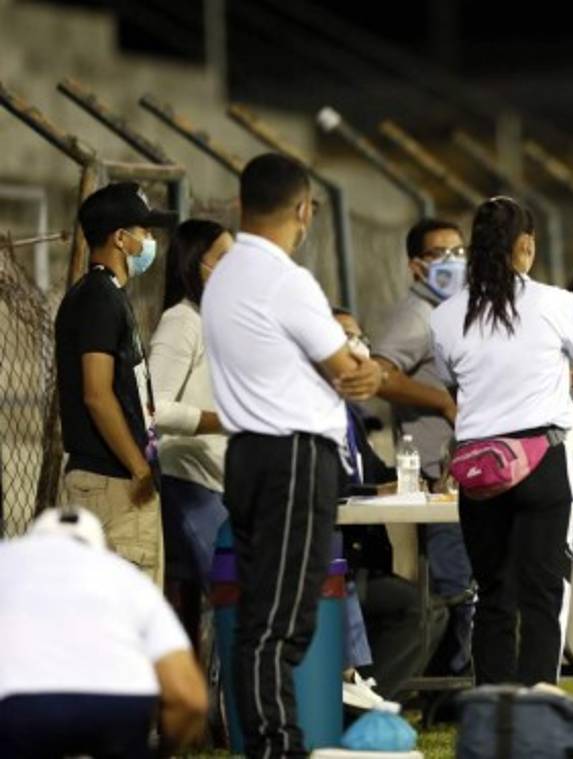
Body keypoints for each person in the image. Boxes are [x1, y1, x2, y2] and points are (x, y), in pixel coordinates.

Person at [201, 153, 383, 757]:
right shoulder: (286, 280)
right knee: (279, 623)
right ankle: (279, 746)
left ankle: (273, 741)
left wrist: (349, 365)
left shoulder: (224, 275)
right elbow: (349, 368)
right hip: (294, 457)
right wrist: (359, 357)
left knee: (265, 614)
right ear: (304, 211)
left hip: (250, 455)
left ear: (239, 204)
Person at [430, 195, 573, 686]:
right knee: (545, 595)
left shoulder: (445, 316)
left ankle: (493, 707)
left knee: (492, 594)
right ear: (526, 245)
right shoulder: (557, 303)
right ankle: (537, 707)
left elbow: (455, 386)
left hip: (478, 467)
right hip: (541, 459)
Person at [0, 507, 207, 757]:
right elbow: (188, 696)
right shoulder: (128, 578)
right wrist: (163, 751)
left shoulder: (8, 559)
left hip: (19, 705)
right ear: (99, 546)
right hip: (119, 705)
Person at [54, 182, 177, 586]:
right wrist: (138, 467)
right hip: (113, 485)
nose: (150, 240)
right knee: (126, 628)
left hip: (116, 483)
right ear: (121, 239)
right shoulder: (98, 299)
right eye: (144, 232)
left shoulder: (108, 296)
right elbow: (97, 392)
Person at [371, 218, 474, 681]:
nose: (454, 261)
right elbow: (378, 373)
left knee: (466, 580)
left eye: (459, 250)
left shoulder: (455, 310)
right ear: (417, 266)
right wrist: (439, 400)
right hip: (436, 472)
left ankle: (459, 678)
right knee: (453, 583)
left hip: (462, 469)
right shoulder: (418, 315)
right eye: (440, 254)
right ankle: (449, 686)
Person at [334, 307, 448, 706]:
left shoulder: (347, 412)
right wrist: (375, 490)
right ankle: (362, 705)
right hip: (338, 563)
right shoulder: (311, 412)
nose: (358, 345)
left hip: (365, 558)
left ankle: (372, 698)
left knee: (431, 608)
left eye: (361, 336)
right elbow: (331, 484)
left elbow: (377, 471)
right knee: (417, 610)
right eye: (346, 336)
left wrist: (420, 482)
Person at [149, 219, 233, 647]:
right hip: (190, 483)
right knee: (234, 599)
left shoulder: (217, 321)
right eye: (223, 259)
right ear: (192, 264)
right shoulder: (181, 321)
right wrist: (220, 420)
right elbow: (154, 406)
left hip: (221, 483)